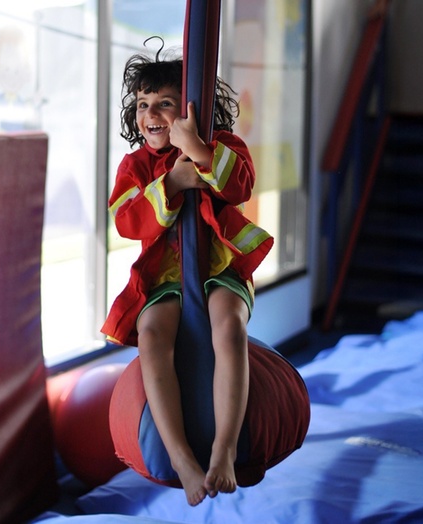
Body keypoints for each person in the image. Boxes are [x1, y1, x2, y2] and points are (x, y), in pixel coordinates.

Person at [101, 48, 273, 506]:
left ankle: (225, 448)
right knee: (151, 334)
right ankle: (180, 456)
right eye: (143, 104)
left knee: (228, 325)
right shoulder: (135, 166)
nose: (150, 114)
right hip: (164, 274)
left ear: (193, 109)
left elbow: (240, 184)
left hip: (220, 265)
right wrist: (171, 184)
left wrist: (197, 149)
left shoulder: (223, 146)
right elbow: (125, 221)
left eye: (164, 104)